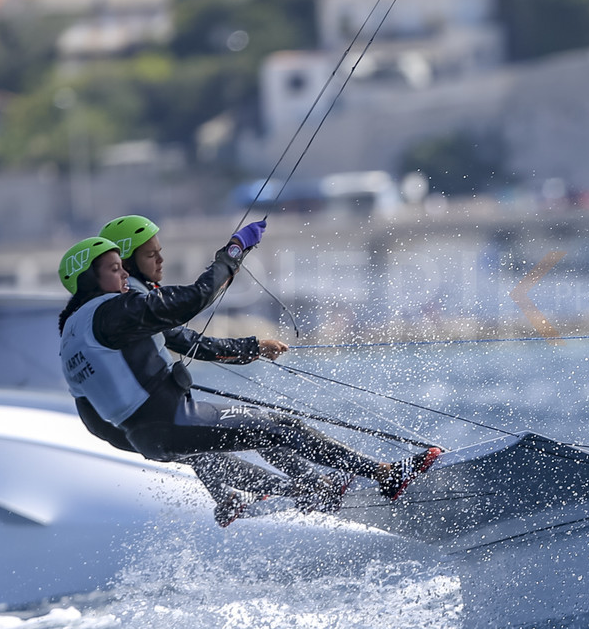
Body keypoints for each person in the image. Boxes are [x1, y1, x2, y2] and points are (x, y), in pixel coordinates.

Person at [56, 223, 438, 521]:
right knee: (282, 427)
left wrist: (138, 436)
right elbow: (195, 299)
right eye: (115, 270)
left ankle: (309, 488)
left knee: (249, 435)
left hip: (150, 434)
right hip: (169, 420)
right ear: (90, 280)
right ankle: (386, 475)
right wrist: (233, 252)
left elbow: (95, 421)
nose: (124, 276)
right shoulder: (114, 311)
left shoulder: (72, 335)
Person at [88, 214, 296, 523]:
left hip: (111, 427)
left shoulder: (103, 306)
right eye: (151, 253)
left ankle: (237, 497)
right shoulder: (130, 304)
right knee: (254, 428)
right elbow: (192, 329)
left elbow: (187, 342)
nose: (161, 260)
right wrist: (235, 250)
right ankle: (311, 487)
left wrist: (252, 348)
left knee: (197, 443)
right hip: (130, 423)